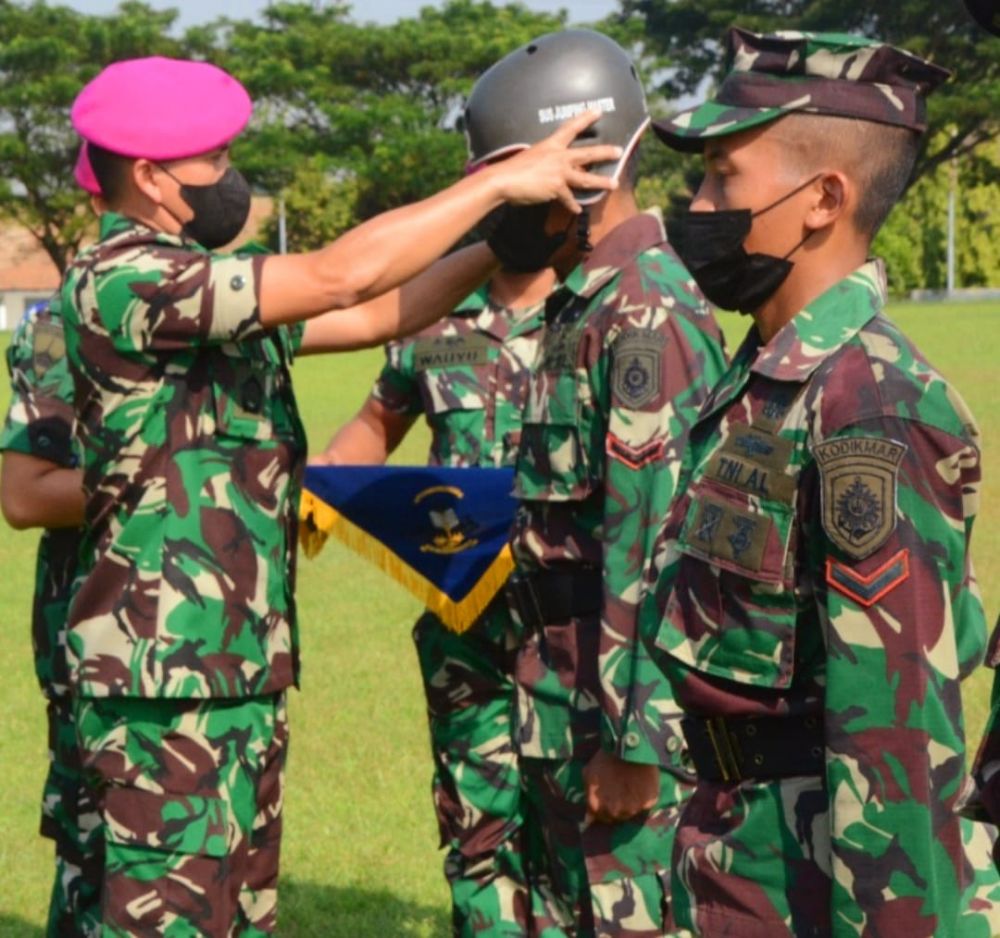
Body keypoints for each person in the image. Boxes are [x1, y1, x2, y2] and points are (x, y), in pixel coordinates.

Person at [60, 54, 618, 935]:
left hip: (224, 662)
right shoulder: (128, 279)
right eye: (213, 160)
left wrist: (501, 243)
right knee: (164, 917)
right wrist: (501, 183)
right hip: (160, 672)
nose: (229, 179)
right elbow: (338, 279)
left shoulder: (196, 284)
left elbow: (374, 317)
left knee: (230, 908)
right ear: (151, 175)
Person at [643, 26, 1000, 936]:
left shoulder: (869, 403)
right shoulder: (770, 374)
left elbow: (895, 738)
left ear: (822, 200)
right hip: (737, 849)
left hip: (813, 883)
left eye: (724, 177)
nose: (697, 203)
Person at [467, 30, 727, 935]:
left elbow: (656, 545)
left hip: (612, 734)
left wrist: (637, 746)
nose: (492, 203)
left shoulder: (647, 312)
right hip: (561, 707)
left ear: (580, 167)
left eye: (510, 174)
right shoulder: (586, 301)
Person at [313, 263, 554, 935]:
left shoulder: (603, 308)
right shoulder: (437, 313)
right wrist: (327, 483)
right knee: (477, 823)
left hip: (576, 627)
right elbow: (376, 421)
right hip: (464, 627)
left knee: (583, 826)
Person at [0, 148, 107, 937]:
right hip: (95, 626)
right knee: (91, 836)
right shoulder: (59, 329)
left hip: (199, 639)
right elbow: (25, 497)